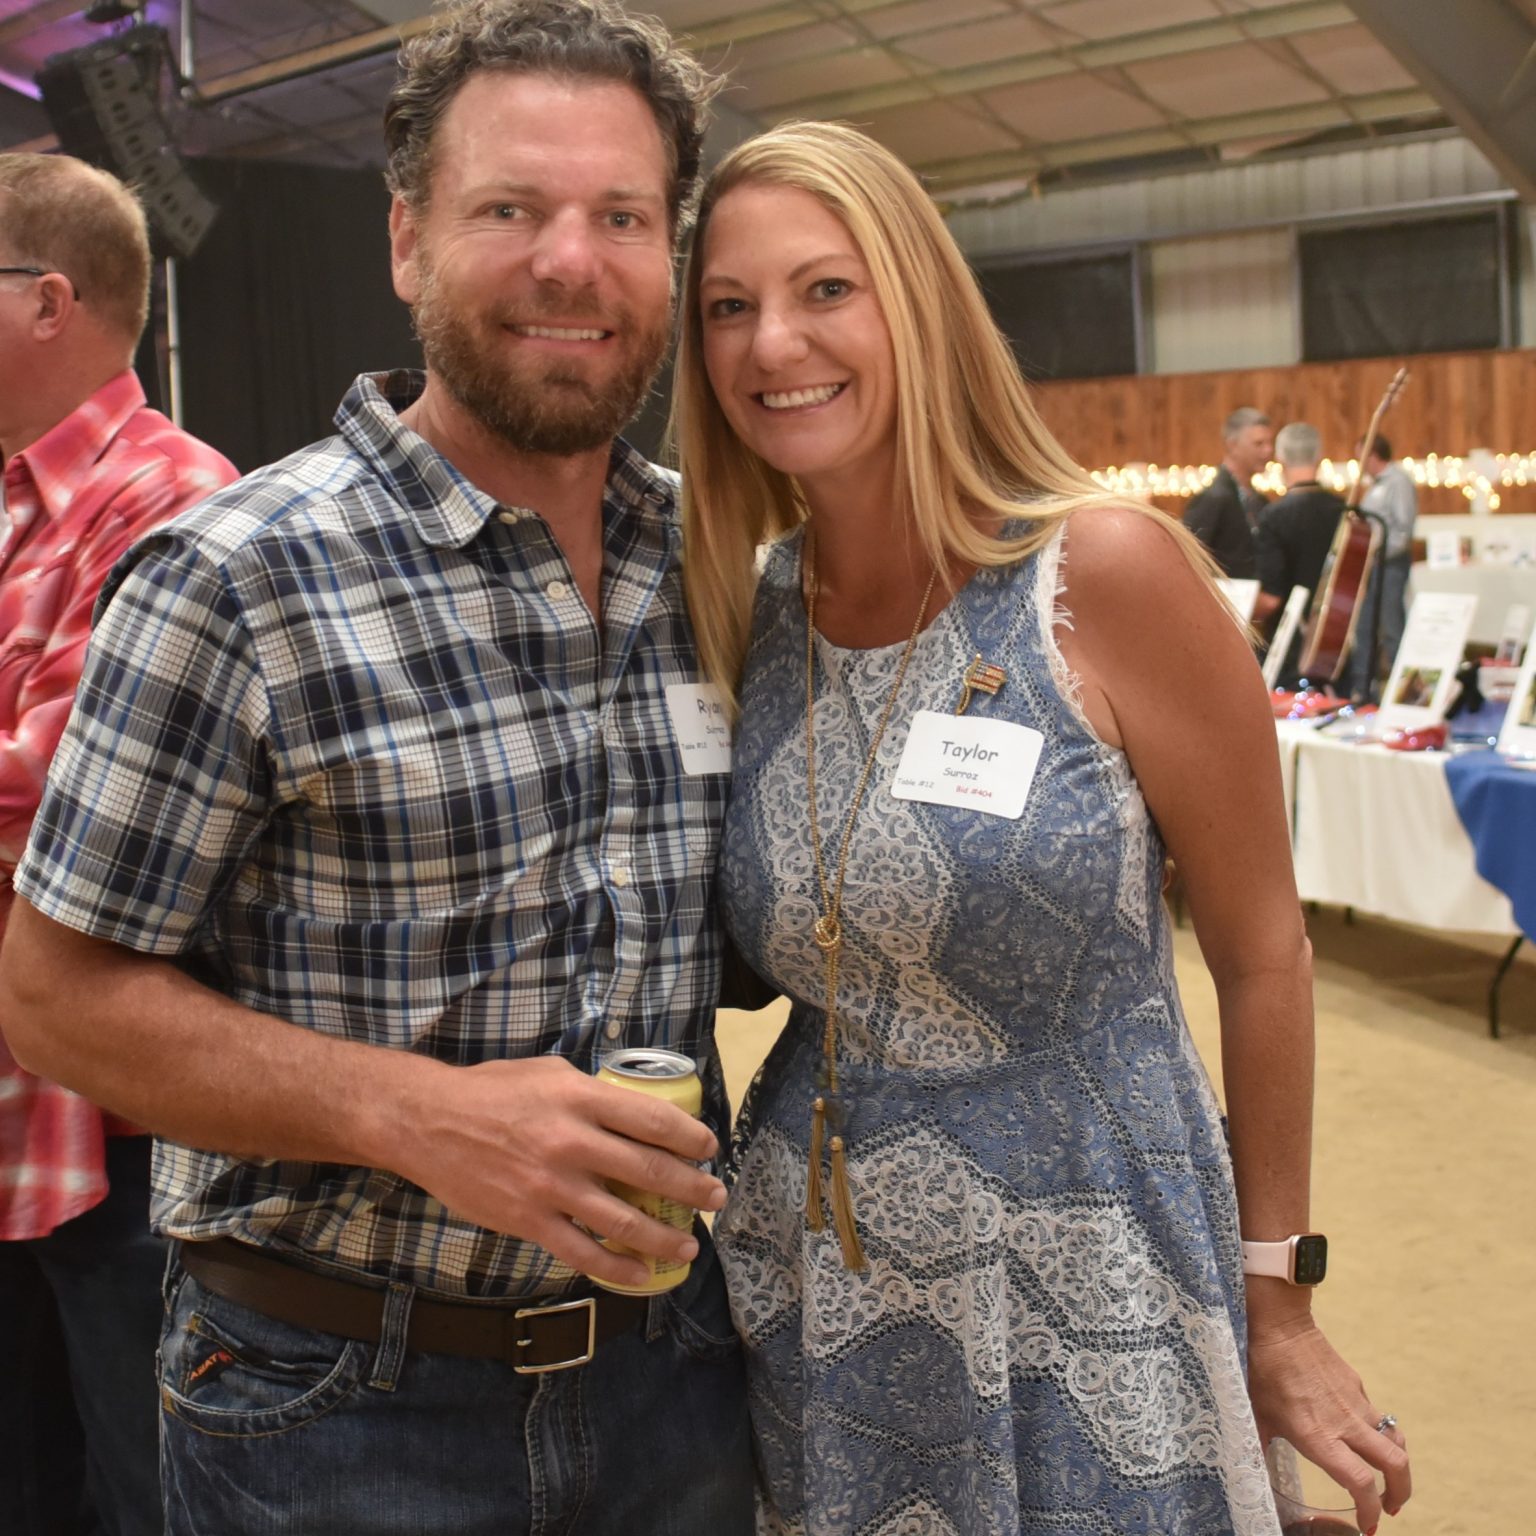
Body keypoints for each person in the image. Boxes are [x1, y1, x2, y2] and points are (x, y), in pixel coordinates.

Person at [0, 4, 752, 1533]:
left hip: (675, 1381)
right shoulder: (231, 577)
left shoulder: (721, 572)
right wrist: (416, 1115)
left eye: (620, 215)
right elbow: (53, 996)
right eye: (509, 209)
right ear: (407, 239)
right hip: (332, 1409)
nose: (570, 261)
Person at [674, 121, 1411, 1536]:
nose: (775, 343)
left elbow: (1267, 956)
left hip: (1095, 1250)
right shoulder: (747, 608)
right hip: (826, 1277)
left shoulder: (1103, 572)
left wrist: (1284, 1301)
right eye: (730, 306)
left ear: (920, 303)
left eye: (827, 289)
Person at [0, 152, 238, 1536]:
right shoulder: (24, 505)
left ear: (49, 301)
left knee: (146, 1498)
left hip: (122, 1123)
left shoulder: (170, 499)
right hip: (29, 1106)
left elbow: (65, 795)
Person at [1253, 422, 1347, 687]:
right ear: (1319, 456)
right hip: (1338, 645)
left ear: (1280, 458)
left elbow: (1271, 599)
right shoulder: (1345, 513)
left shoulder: (1274, 516)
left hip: (1292, 649)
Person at [1346, 433, 1419, 698]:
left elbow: (1402, 529)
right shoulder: (1375, 485)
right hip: (1371, 566)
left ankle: (1404, 691)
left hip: (1390, 565)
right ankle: (1364, 687)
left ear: (1373, 454)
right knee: (1365, 625)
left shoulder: (1398, 483)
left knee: (1391, 627)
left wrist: (1379, 550)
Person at [1184, 406, 1274, 578]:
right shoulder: (1213, 498)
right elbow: (1190, 557)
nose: (1268, 450)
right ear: (1232, 445)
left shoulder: (1259, 499)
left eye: (1270, 443)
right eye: (1259, 444)